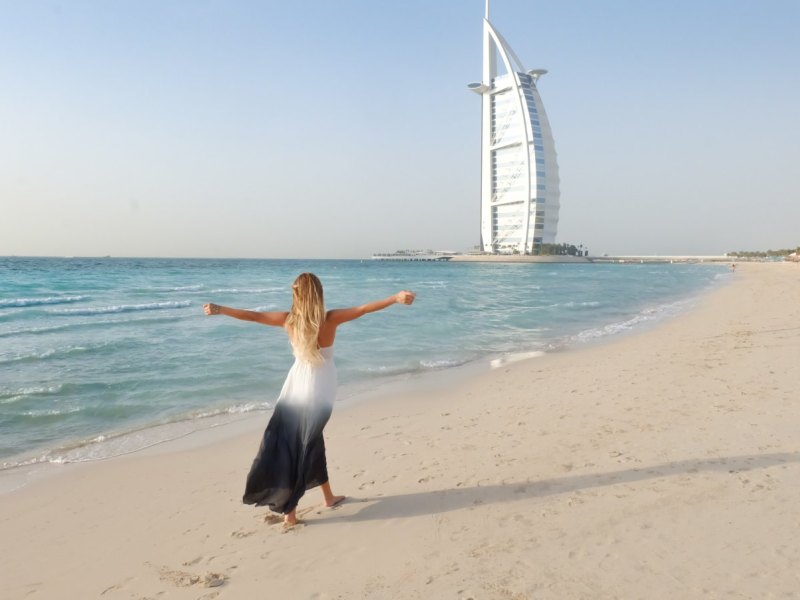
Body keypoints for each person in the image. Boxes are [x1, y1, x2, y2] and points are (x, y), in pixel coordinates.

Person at [203, 273, 415, 525]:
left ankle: (326, 497)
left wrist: (220, 309)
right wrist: (395, 298)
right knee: (305, 444)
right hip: (320, 391)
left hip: (295, 387)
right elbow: (363, 309)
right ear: (319, 293)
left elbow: (253, 316)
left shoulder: (288, 320)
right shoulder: (331, 319)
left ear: (297, 294)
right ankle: (290, 512)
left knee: (303, 443)